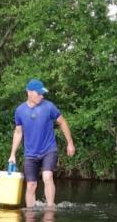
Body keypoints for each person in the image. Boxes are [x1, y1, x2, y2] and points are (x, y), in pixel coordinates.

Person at [8, 78, 75, 207]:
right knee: (31, 185)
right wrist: (12, 154)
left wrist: (70, 143)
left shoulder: (49, 106)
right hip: (30, 153)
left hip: (48, 149)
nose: (42, 96)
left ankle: (50, 209)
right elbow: (18, 132)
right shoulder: (20, 111)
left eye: (42, 93)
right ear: (29, 93)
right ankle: (30, 214)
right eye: (39, 93)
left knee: (47, 176)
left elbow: (62, 122)